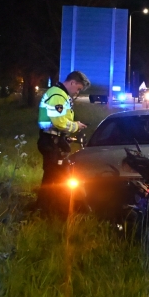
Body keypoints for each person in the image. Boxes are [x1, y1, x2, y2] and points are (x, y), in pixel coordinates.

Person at [36, 71, 90, 207]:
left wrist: (73, 126)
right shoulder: (58, 95)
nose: (77, 92)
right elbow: (59, 122)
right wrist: (75, 126)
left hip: (53, 139)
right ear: (72, 82)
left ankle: (44, 206)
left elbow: (61, 120)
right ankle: (53, 208)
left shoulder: (60, 94)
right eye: (78, 89)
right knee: (58, 176)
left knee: (51, 176)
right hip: (51, 140)